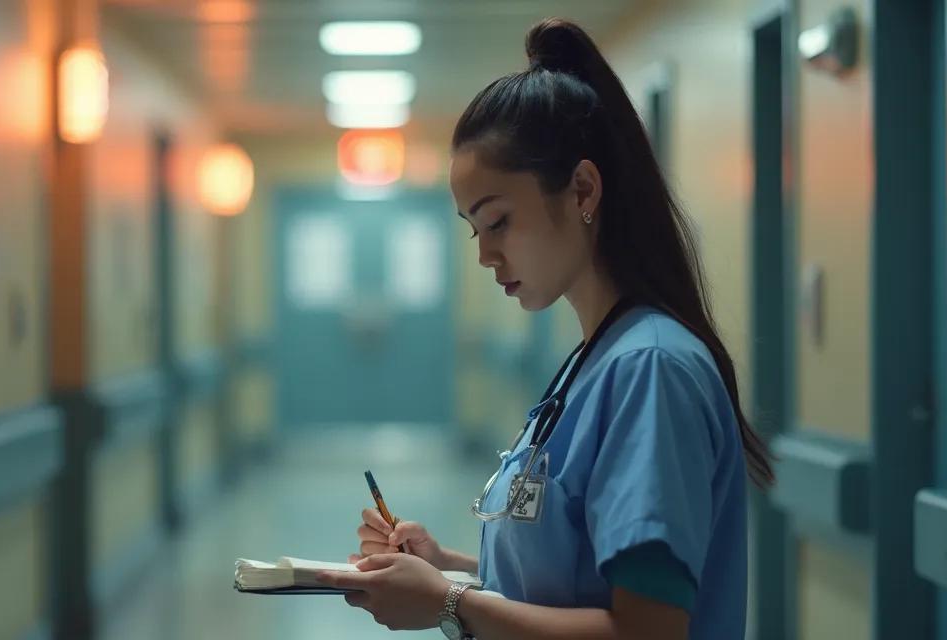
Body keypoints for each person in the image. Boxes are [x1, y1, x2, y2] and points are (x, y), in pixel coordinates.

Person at [313, 17, 776, 640]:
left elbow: (646, 631)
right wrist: (444, 568)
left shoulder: (650, 370)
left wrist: (449, 604)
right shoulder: (592, 362)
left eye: (498, 221)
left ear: (582, 189)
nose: (485, 254)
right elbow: (573, 581)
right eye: (474, 229)